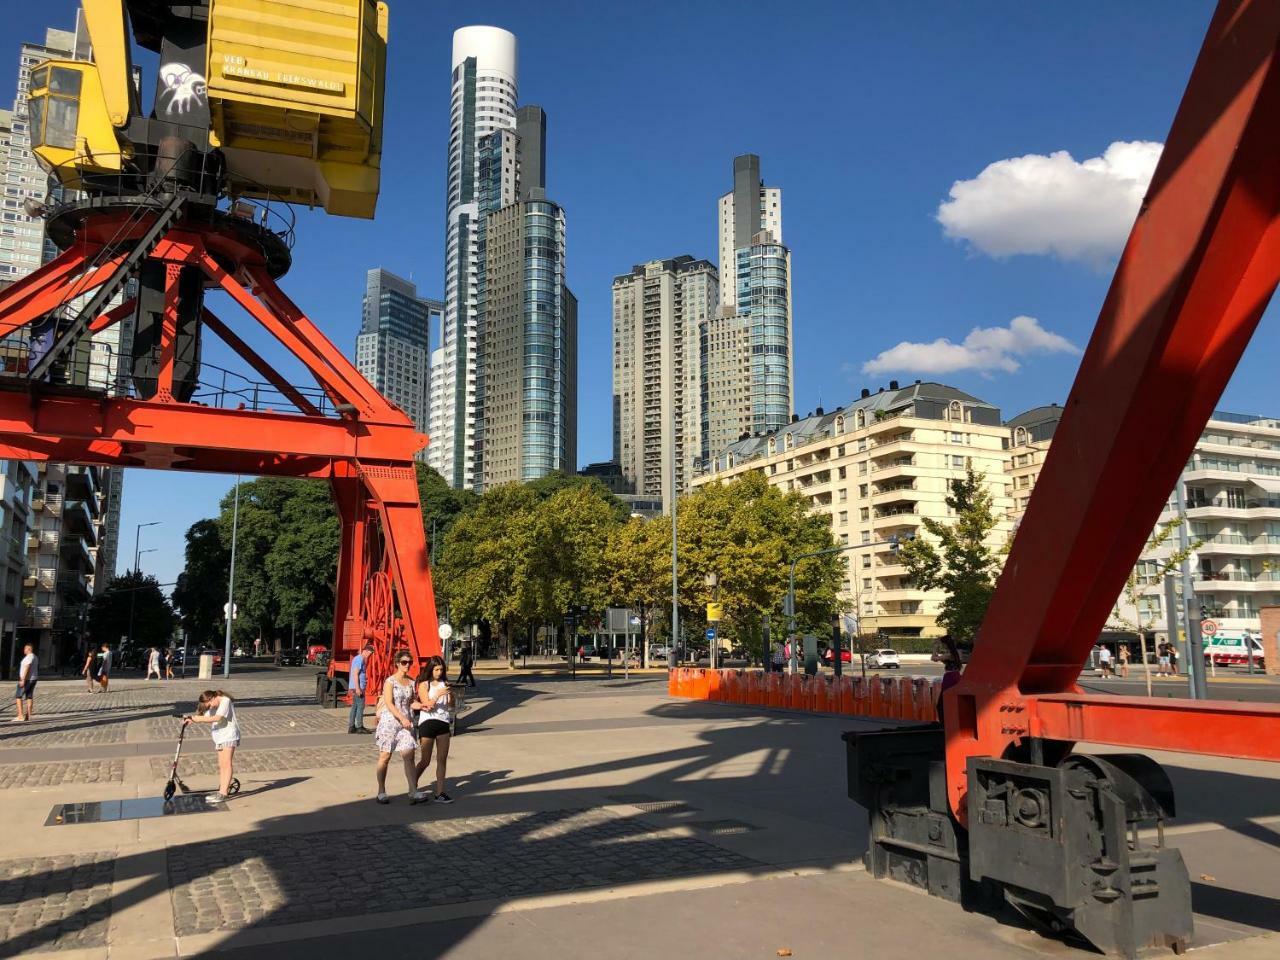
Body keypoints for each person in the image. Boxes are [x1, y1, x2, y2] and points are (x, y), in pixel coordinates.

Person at [373, 650, 420, 804]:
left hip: (406, 723)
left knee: (409, 755)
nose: (407, 665)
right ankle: (381, 790)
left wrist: (423, 706)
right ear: (397, 663)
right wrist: (401, 718)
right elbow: (389, 702)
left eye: (409, 662)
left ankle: (413, 791)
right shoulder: (390, 682)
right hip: (390, 722)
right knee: (385, 756)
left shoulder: (412, 682)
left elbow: (411, 702)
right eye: (404, 662)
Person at [412, 657, 455, 804]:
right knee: (425, 760)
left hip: (443, 722)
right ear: (431, 669)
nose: (439, 672)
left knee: (442, 759)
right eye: (436, 669)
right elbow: (427, 705)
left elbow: (451, 705)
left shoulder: (445, 684)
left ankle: (440, 792)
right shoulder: (425, 685)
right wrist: (437, 695)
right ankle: (413, 785)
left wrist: (450, 694)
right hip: (428, 722)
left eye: (441, 669)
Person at [185, 690, 240, 804]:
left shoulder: (225, 701)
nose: (209, 707)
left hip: (229, 736)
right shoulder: (214, 705)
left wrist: (197, 719)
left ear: (212, 698)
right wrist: (192, 719)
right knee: (221, 765)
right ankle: (221, 790)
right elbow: (205, 717)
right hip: (220, 737)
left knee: (226, 764)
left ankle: (223, 793)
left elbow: (217, 718)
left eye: (209, 704)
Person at [348, 643, 372, 734]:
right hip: (358, 687)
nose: (370, 655)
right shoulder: (360, 659)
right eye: (370, 653)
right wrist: (358, 688)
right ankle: (359, 726)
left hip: (355, 686)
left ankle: (351, 726)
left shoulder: (357, 658)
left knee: (355, 706)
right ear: (365, 651)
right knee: (360, 707)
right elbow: (355, 673)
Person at [12, 643, 37, 722]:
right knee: (29, 696)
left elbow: (27, 667)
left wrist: (23, 679)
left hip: (27, 679)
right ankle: (28, 715)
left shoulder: (29, 657)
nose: (24, 650)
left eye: (25, 649)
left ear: (29, 649)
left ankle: (20, 715)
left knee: (18, 696)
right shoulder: (35, 657)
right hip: (33, 679)